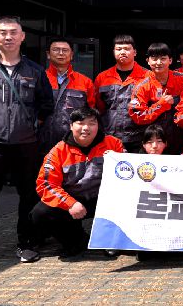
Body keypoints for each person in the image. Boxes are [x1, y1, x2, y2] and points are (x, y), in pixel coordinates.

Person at [0, 15, 54, 268]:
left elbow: (46, 104)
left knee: (28, 195)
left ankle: (26, 243)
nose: (8, 37)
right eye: (3, 32)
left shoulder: (35, 70)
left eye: (13, 32)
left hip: (26, 143)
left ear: (22, 36)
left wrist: (28, 125)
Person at [30, 106, 125, 258]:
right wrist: (70, 203)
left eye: (92, 123)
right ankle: (76, 240)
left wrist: (118, 160)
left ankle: (111, 240)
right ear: (71, 126)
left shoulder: (114, 144)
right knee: (40, 213)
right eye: (80, 123)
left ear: (98, 125)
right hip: (74, 200)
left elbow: (129, 175)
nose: (86, 128)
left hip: (105, 199)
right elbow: (46, 184)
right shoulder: (58, 151)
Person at [129, 43, 183, 155]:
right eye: (154, 59)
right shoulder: (141, 86)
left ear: (170, 60)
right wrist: (161, 105)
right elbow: (137, 116)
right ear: (148, 61)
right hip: (154, 145)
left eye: (163, 59)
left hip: (182, 141)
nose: (158, 62)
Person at [39, 37, 96, 155]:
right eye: (56, 50)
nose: (61, 53)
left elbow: (91, 112)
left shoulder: (85, 82)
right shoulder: (39, 78)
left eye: (65, 50)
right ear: (48, 54)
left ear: (72, 55)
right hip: (41, 140)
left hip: (74, 141)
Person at [94, 34, 149, 153]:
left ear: (135, 52)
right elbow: (99, 107)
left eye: (127, 49)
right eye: (119, 49)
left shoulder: (148, 77)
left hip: (140, 138)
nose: (123, 52)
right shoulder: (102, 77)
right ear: (113, 52)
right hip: (109, 137)